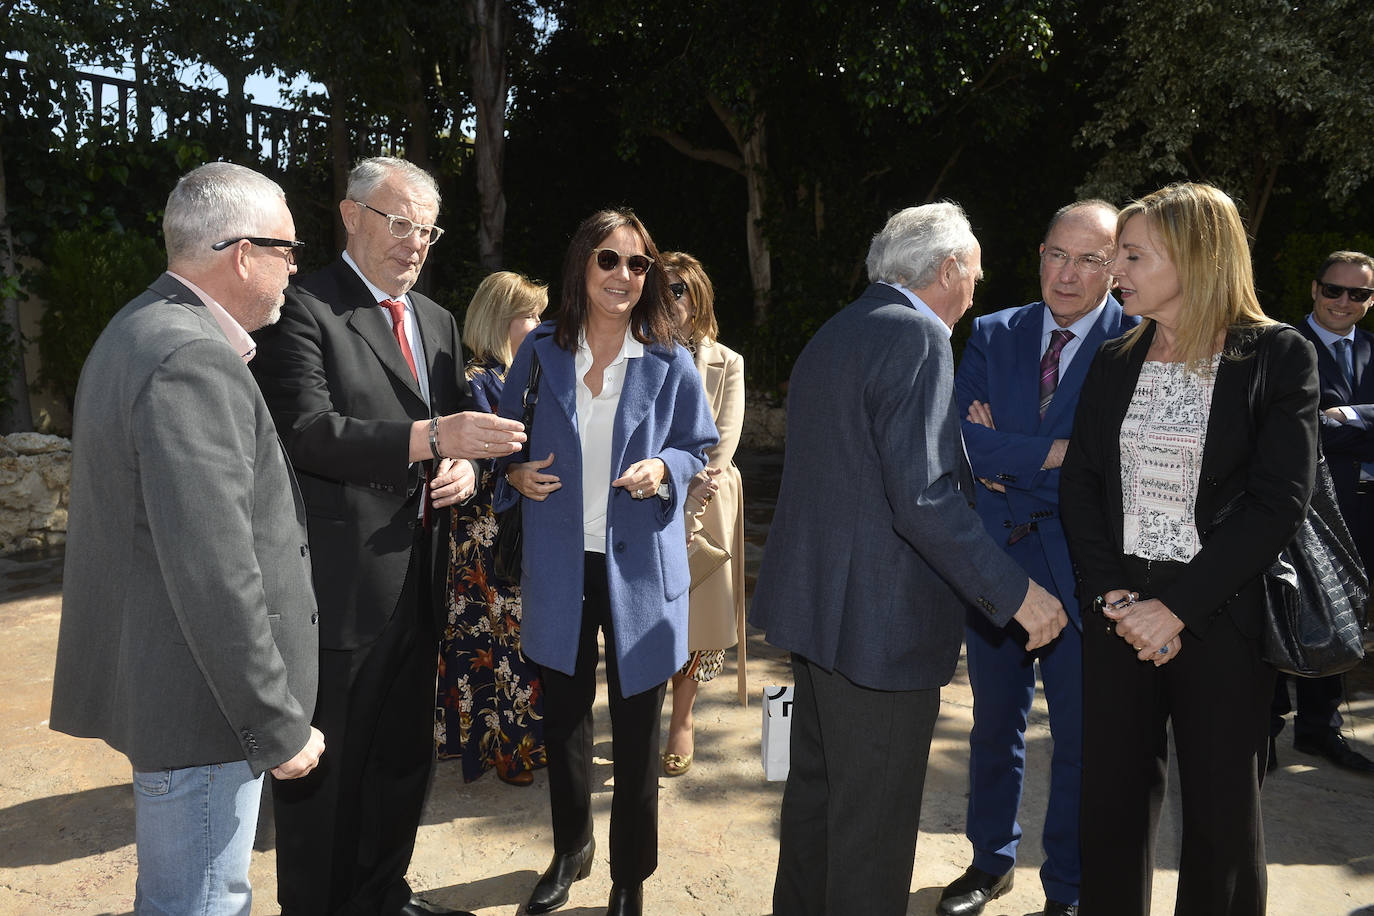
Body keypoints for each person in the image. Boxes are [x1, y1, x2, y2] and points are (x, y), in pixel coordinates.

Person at [749, 202, 1067, 916]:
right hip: (880, 629)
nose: (976, 290)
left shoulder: (841, 327)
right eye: (975, 274)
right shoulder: (919, 336)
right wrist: (1017, 594)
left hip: (821, 615)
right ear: (948, 269)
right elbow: (922, 498)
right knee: (872, 829)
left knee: (817, 801)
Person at [251, 156, 525, 916]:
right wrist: (433, 438)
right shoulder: (301, 308)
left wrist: (465, 468)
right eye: (400, 224)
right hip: (338, 592)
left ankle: (382, 896)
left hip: (422, 583)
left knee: (403, 760)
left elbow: (456, 435)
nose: (415, 244)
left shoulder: (436, 320)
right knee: (327, 774)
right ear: (351, 215)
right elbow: (307, 432)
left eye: (428, 232)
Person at [49, 161, 324, 915]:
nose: (294, 269)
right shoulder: (189, 356)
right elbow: (215, 570)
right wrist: (275, 721)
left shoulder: (142, 328)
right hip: (207, 711)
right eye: (288, 250)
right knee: (201, 902)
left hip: (182, 694)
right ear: (243, 255)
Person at [1060, 181, 1319, 915]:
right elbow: (1081, 484)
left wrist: (1174, 608)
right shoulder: (1116, 356)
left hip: (1221, 616)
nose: (1115, 271)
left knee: (1221, 817)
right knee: (1109, 808)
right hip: (1120, 615)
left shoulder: (1277, 355)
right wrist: (1113, 595)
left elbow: (1278, 503)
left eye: (1133, 256)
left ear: (1197, 258)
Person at [495, 210, 717, 916]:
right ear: (582, 265)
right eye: (609, 260)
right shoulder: (540, 350)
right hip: (560, 565)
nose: (624, 275)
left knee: (637, 730)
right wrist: (514, 473)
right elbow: (503, 440)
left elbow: (699, 444)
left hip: (642, 571)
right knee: (562, 722)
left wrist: (665, 466)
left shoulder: (669, 358)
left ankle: (630, 875)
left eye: (638, 263)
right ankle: (571, 849)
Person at [942, 200, 1134, 916]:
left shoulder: (1139, 343)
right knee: (995, 727)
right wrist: (1057, 454)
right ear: (1039, 255)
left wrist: (1009, 457)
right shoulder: (995, 332)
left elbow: (1116, 465)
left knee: (1081, 741)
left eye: (1090, 259)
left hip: (1085, 572)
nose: (1068, 274)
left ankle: (1068, 889)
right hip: (997, 566)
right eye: (1058, 254)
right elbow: (959, 440)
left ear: (1115, 268)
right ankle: (990, 862)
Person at [436, 270, 549, 785]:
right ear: (501, 318)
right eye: (531, 314)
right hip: (487, 536)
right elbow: (481, 459)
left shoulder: (524, 376)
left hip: (516, 530)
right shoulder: (476, 380)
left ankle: (521, 744)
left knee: (517, 641)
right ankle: (509, 752)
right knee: (499, 644)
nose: (540, 324)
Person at [1269, 249, 1374, 774]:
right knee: (1283, 611)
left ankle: (1319, 728)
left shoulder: (1372, 348)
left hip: (1362, 512)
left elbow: (1329, 426)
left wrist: (1345, 416)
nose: (1343, 301)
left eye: (1358, 293)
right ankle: (1264, 727)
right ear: (1314, 289)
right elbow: (1303, 429)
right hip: (1299, 513)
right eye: (1334, 289)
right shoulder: (1282, 345)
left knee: (1343, 613)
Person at [657, 250, 746, 778]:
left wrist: (689, 491)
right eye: (660, 289)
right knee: (649, 612)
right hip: (646, 498)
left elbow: (723, 442)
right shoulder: (636, 350)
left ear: (698, 297)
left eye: (678, 290)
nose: (668, 299)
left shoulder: (728, 361)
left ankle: (682, 719)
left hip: (706, 500)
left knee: (698, 618)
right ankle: (644, 713)